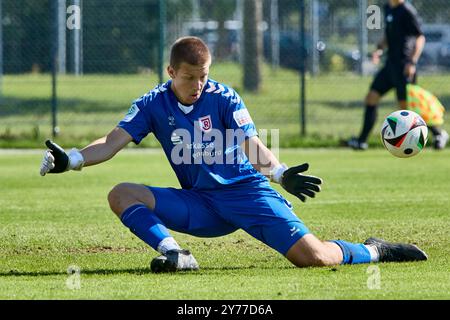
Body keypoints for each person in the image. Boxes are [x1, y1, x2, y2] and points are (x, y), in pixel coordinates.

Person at [40, 36, 427, 273]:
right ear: (171, 71)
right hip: (200, 203)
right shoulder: (151, 104)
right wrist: (71, 159)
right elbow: (110, 143)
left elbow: (250, 143)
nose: (197, 85)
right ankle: (176, 255)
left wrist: (280, 173)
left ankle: (373, 251)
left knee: (315, 258)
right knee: (121, 193)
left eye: (203, 75)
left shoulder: (223, 97)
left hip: (247, 193)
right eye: (189, 77)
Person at [346, 0, 448, 150]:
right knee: (371, 97)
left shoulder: (407, 10)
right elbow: (389, 34)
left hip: (404, 66)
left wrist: (412, 62)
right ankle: (362, 140)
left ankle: (438, 134)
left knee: (407, 110)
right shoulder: (388, 8)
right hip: (390, 65)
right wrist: (379, 49)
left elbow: (420, 37)